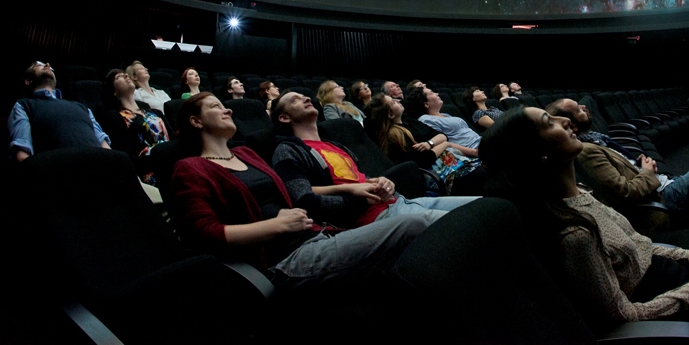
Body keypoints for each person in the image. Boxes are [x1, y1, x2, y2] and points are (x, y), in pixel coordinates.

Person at [480, 107, 689, 338]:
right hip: (675, 302)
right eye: (550, 121)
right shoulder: (574, 233)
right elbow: (624, 318)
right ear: (540, 154)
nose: (566, 120)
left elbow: (639, 245)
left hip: (674, 276)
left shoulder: (579, 193)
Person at [167, 93, 437, 288]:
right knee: (414, 225)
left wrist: (356, 189)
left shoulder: (247, 154)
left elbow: (296, 193)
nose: (227, 110)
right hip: (282, 261)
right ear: (196, 122)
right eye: (216, 106)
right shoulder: (191, 168)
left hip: (319, 236)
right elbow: (201, 235)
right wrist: (276, 226)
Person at [547, 98, 689, 252]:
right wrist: (647, 172)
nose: (584, 106)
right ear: (570, 123)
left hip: (661, 183)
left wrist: (641, 168)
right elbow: (623, 192)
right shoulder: (585, 152)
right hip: (663, 196)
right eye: (578, 109)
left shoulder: (596, 139)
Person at [269, 91, 475, 228]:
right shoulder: (287, 149)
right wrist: (357, 196)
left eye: (303, 96)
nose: (305, 98)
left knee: (483, 206)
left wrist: (381, 182)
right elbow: (303, 198)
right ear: (284, 118)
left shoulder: (336, 146)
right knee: (471, 223)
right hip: (374, 218)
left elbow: (360, 179)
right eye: (295, 100)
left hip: (399, 202)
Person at [364, 93, 482, 193]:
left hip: (455, 163)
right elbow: (426, 158)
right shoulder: (395, 135)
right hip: (443, 175)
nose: (397, 100)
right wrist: (446, 145)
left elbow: (442, 136)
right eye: (393, 102)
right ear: (390, 114)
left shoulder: (409, 121)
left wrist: (430, 143)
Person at [8, 61, 111, 162]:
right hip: (59, 168)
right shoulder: (24, 105)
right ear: (28, 80)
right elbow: (23, 156)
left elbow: (105, 146)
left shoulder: (81, 107)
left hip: (98, 164)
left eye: (48, 65)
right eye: (39, 65)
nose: (47, 65)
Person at [100, 69, 169, 184]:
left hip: (171, 164)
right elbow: (125, 154)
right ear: (114, 92)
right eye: (119, 77)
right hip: (149, 173)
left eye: (125, 74)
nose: (126, 75)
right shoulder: (115, 117)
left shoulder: (154, 112)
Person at [403, 87, 482, 156]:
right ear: (426, 104)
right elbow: (443, 144)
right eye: (432, 93)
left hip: (481, 142)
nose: (437, 93)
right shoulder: (426, 119)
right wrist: (474, 152)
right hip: (474, 149)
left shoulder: (445, 114)